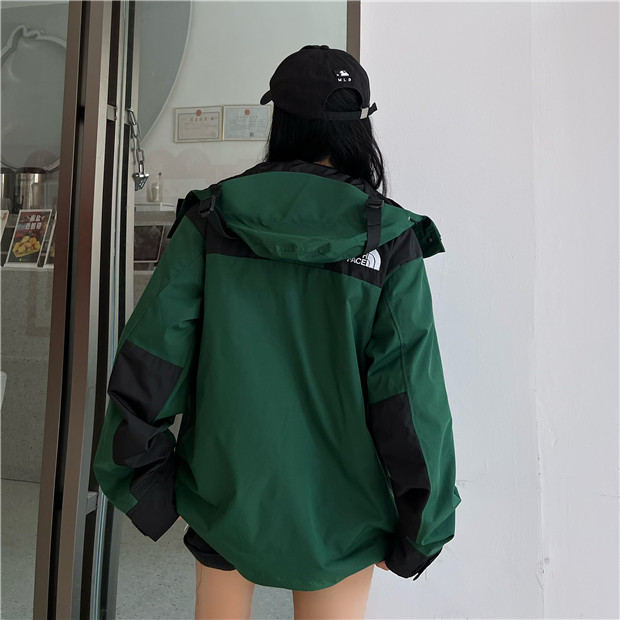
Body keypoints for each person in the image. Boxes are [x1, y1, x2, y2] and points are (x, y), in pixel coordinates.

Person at [93, 44, 462, 620]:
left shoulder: (212, 219)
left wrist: (148, 487)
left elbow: (150, 360)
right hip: (343, 520)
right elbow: (412, 400)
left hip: (223, 501)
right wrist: (422, 528)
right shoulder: (389, 239)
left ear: (279, 118)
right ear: (360, 126)